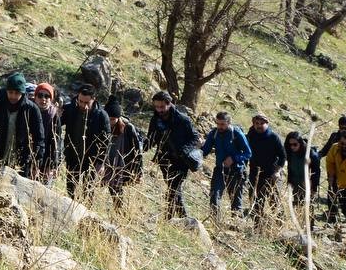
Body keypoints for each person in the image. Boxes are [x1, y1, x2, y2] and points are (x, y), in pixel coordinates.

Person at [145, 91, 199, 219]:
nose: (159, 110)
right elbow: (151, 139)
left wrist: (184, 150)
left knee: (174, 188)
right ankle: (181, 219)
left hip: (181, 161)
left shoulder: (182, 119)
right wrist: (140, 148)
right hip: (164, 159)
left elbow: (195, 137)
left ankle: (170, 217)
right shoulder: (155, 119)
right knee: (172, 188)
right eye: (156, 107)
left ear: (169, 104)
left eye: (162, 107)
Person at [0, 72, 45, 179]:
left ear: (22, 93)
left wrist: (36, 162)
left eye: (17, 93)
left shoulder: (31, 110)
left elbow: (39, 138)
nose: (13, 96)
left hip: (21, 161)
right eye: (10, 92)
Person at [61, 85, 111, 201]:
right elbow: (57, 124)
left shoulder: (101, 115)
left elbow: (105, 141)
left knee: (88, 192)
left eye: (87, 102)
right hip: (72, 156)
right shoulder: (70, 109)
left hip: (91, 160)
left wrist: (101, 162)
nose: (83, 105)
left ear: (94, 99)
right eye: (80, 101)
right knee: (70, 189)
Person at [202, 112, 251, 219]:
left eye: (222, 124)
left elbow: (248, 153)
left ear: (229, 123)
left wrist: (234, 158)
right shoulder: (214, 133)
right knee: (214, 196)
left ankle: (236, 225)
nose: (220, 127)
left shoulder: (236, 133)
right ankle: (215, 223)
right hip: (220, 170)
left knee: (235, 202)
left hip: (237, 171)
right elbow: (205, 151)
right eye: (218, 124)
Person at [102, 100, 143, 211]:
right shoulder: (102, 123)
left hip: (121, 164)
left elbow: (137, 150)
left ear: (118, 118)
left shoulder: (128, 128)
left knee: (116, 188)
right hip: (105, 162)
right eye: (108, 119)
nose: (110, 122)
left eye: (113, 119)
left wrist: (139, 170)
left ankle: (119, 211)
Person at [246, 114, 284, 226]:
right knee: (255, 200)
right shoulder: (251, 134)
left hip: (271, 174)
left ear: (267, 123)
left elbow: (283, 156)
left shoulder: (273, 137)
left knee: (274, 201)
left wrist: (277, 171)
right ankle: (258, 226)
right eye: (256, 123)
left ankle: (280, 225)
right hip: (255, 173)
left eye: (262, 123)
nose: (259, 126)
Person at [319, 115, 346, 222]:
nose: (343, 130)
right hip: (334, 170)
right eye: (341, 128)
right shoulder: (334, 136)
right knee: (332, 193)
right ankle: (332, 216)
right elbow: (325, 150)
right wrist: (315, 155)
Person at [283, 131, 320, 215]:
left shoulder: (310, 154)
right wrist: (289, 182)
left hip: (307, 185)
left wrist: (314, 188)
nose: (292, 147)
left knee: (308, 208)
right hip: (295, 183)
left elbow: (316, 172)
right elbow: (290, 168)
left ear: (300, 143)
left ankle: (309, 226)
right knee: (297, 206)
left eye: (295, 144)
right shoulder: (290, 153)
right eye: (290, 145)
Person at [32, 82, 62, 185]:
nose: (43, 99)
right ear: (35, 97)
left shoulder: (54, 116)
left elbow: (56, 143)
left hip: (47, 162)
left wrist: (52, 165)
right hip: (30, 159)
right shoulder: (28, 111)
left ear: (51, 98)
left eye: (47, 96)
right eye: (40, 95)